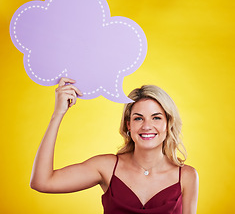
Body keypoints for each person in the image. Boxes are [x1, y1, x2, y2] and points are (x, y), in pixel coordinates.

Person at [30, 77, 199, 214]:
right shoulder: (106, 167)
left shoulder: (187, 176)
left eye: (156, 118)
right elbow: (42, 182)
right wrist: (58, 113)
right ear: (128, 125)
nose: (147, 126)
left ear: (168, 123)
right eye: (138, 118)